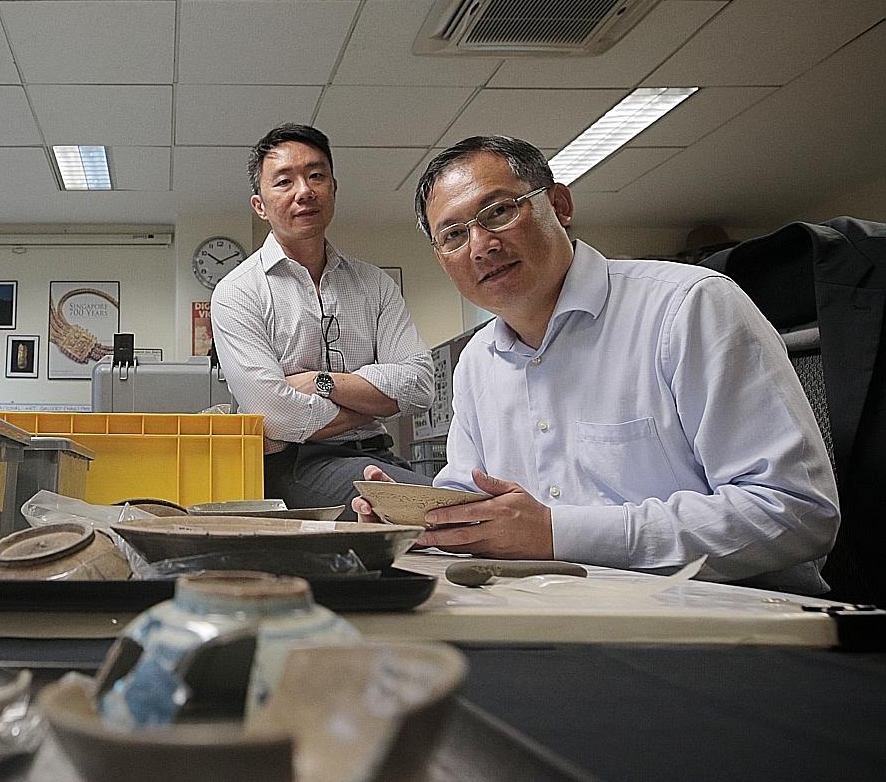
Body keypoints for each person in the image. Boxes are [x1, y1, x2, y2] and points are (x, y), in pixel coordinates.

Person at [355, 135, 839, 594]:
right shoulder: (477, 362)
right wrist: (416, 519)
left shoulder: (689, 307)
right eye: (454, 235)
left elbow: (795, 513)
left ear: (559, 206)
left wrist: (555, 532)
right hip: (550, 614)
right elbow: (473, 498)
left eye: (498, 212)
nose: (481, 245)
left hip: (727, 623)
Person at [211, 123, 436, 518]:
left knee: (449, 500)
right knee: (437, 509)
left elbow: (418, 384)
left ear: (333, 187)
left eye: (316, 176)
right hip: (295, 467)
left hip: (379, 456)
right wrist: (378, 405)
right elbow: (276, 416)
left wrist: (322, 382)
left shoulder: (374, 284)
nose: (304, 191)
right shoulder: (237, 292)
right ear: (259, 205)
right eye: (284, 181)